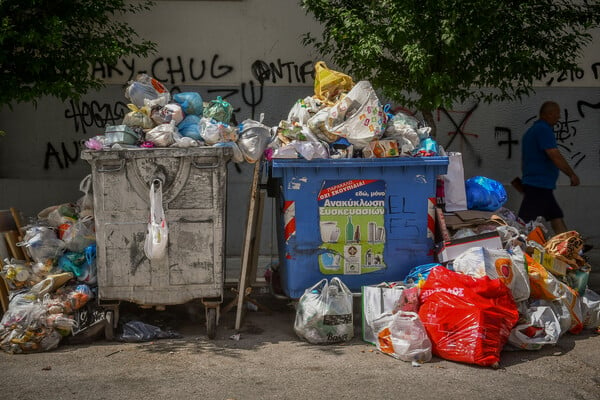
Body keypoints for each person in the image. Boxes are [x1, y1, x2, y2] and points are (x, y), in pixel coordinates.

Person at [518, 101, 580, 235]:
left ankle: (567, 248)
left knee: (555, 216)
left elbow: (524, 162)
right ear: (548, 114)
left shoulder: (530, 132)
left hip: (538, 184)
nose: (558, 118)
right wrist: (571, 174)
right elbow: (554, 154)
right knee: (524, 222)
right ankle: (566, 249)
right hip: (539, 185)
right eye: (556, 114)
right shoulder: (543, 130)